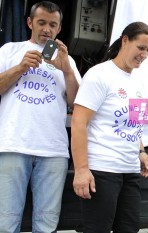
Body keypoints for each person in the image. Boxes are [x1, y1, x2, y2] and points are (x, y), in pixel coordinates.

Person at [0, 1, 81, 232]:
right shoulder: (9, 50)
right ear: (30, 22)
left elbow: (75, 102)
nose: (47, 29)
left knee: (47, 224)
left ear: (59, 28)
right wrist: (20, 68)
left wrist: (66, 69)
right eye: (42, 22)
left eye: (52, 25)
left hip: (53, 150)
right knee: (6, 222)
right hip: (13, 145)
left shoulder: (67, 60)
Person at [71, 21, 148, 233]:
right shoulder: (99, 75)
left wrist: (142, 152)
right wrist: (81, 170)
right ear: (125, 40)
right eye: (141, 47)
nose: (144, 54)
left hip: (130, 171)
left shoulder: (141, 82)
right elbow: (78, 122)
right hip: (103, 170)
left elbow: (136, 124)